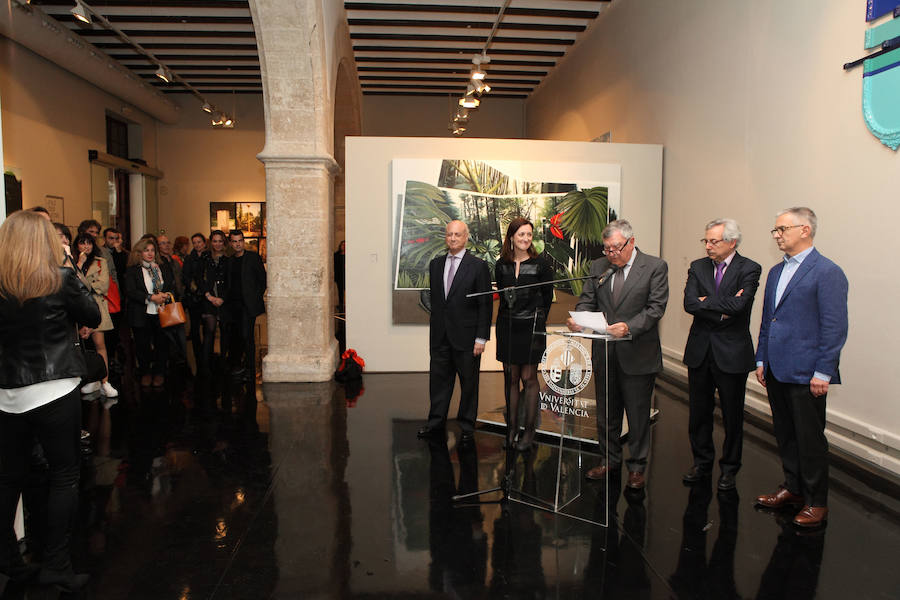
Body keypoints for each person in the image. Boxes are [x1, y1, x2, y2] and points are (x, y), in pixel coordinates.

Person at [0, 210, 100, 591]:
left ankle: (9, 558)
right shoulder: (58, 279)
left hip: (8, 394)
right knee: (63, 476)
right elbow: (91, 312)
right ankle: (57, 564)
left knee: (9, 477)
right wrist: (72, 267)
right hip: (54, 389)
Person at [754, 207, 848, 527]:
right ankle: (793, 488)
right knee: (785, 434)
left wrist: (823, 371)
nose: (777, 235)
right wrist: (761, 358)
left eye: (783, 229)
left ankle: (816, 501)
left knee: (810, 439)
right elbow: (769, 320)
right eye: (776, 230)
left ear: (805, 230)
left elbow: (834, 327)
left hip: (808, 372)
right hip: (777, 368)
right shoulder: (776, 272)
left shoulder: (827, 272)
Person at [567, 219, 668, 489]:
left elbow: (656, 308)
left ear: (631, 242)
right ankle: (609, 460)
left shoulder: (654, 267)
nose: (612, 254)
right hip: (605, 352)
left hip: (638, 353)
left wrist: (629, 327)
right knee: (607, 413)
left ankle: (637, 467)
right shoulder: (599, 267)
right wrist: (579, 318)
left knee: (637, 415)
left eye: (617, 248)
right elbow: (587, 299)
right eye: (607, 249)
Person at [681, 218, 760, 491]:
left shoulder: (749, 268)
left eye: (714, 241)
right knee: (698, 414)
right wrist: (720, 308)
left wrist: (708, 303)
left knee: (732, 414)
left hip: (732, 352)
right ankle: (701, 463)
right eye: (706, 240)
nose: (708, 246)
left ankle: (729, 469)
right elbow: (689, 303)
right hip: (700, 351)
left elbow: (740, 305)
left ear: (732, 242)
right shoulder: (698, 267)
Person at [417, 220, 492, 444]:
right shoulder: (436, 264)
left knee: (469, 384)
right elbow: (439, 303)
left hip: (468, 338)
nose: (452, 238)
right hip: (440, 337)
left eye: (457, 234)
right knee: (438, 383)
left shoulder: (478, 266)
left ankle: (467, 425)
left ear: (466, 237)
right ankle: (435, 422)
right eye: (449, 234)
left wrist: (481, 337)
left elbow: (485, 305)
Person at [494, 218, 553, 451]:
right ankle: (512, 429)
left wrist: (537, 321)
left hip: (532, 327)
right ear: (511, 237)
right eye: (521, 235)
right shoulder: (501, 265)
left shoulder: (542, 264)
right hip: (507, 326)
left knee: (529, 379)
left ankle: (529, 432)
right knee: (510, 378)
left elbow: (547, 298)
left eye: (529, 235)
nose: (526, 239)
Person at [124, 238, 176, 387]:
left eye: (152, 250)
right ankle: (145, 372)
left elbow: (172, 285)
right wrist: (151, 297)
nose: (150, 253)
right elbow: (131, 291)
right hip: (142, 312)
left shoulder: (162, 267)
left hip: (162, 312)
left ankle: (159, 372)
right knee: (142, 345)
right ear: (139, 252)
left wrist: (165, 295)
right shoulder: (133, 269)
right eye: (146, 250)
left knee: (162, 344)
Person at [73, 232, 119, 398]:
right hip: (76, 309)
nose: (86, 246)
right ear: (77, 245)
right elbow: (70, 284)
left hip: (95, 307)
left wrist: (83, 284)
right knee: (82, 347)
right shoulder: (72, 261)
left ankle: (105, 382)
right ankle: (92, 378)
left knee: (100, 345)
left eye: (89, 243)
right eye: (82, 243)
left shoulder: (101, 262)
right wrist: (79, 264)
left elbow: (102, 286)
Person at [224, 229, 266, 381]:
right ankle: (239, 365)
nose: (237, 244)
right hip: (233, 305)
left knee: (247, 336)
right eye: (234, 241)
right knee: (237, 336)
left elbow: (263, 280)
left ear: (244, 241)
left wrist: (255, 297)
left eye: (240, 241)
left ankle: (250, 368)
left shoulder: (253, 258)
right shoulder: (229, 261)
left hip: (248, 305)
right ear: (230, 243)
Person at [198, 230, 229, 373]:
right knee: (209, 332)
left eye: (220, 241)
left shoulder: (229, 258)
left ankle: (223, 364)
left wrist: (223, 298)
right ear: (211, 242)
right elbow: (199, 278)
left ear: (224, 242)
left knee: (225, 332)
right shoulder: (205, 257)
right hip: (208, 299)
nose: (217, 244)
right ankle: (206, 367)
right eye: (215, 241)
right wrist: (209, 296)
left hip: (224, 300)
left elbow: (232, 282)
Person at [182, 232, 208, 367]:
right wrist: (195, 289)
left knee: (207, 326)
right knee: (194, 326)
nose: (197, 245)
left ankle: (206, 351)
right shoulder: (189, 258)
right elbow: (185, 276)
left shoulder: (208, 256)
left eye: (199, 242)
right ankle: (197, 354)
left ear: (204, 243)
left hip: (206, 297)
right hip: (193, 297)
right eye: (195, 242)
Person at [77, 219, 118, 289]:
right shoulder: (72, 252)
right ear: (82, 232)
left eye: (97, 232)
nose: (94, 235)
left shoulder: (104, 252)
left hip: (100, 293)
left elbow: (112, 275)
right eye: (91, 231)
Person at [334, 240, 346, 309]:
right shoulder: (336, 255)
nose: (344, 247)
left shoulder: (350, 255)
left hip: (348, 276)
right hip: (339, 276)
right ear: (340, 246)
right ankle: (341, 304)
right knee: (340, 291)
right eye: (342, 245)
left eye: (345, 245)